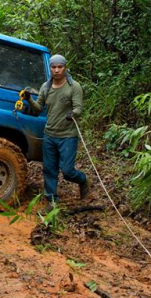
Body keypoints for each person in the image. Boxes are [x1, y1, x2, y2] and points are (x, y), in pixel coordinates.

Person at [23, 54, 89, 207]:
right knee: (49, 169)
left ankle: (83, 179)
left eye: (60, 67)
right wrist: (29, 99)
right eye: (54, 67)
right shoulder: (46, 87)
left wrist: (73, 113)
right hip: (49, 135)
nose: (57, 70)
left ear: (65, 68)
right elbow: (39, 108)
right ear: (50, 68)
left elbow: (79, 107)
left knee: (67, 171)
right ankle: (51, 198)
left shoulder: (74, 87)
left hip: (68, 135)